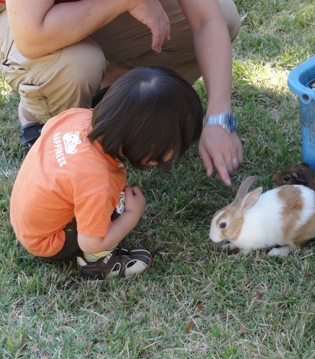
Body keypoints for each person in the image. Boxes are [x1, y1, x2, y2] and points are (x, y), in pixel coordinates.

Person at [0, 0, 241, 186]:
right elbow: (31, 36)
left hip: (97, 10)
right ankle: (43, 116)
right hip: (23, 21)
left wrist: (219, 119)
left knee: (224, 15)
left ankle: (109, 86)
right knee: (77, 67)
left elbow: (206, 20)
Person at [9, 66, 203, 280]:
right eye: (173, 147)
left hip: (24, 216)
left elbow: (46, 132)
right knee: (114, 207)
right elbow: (90, 241)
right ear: (149, 147)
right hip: (48, 241)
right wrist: (131, 215)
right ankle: (96, 263)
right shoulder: (99, 182)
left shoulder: (77, 116)